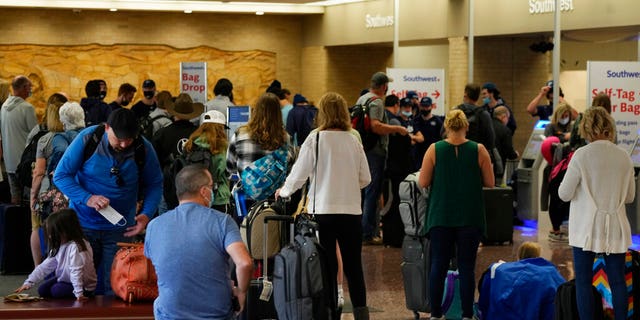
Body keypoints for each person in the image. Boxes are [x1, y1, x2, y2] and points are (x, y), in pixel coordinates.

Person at [276, 92, 372, 320]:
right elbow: (366, 178)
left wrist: (285, 191)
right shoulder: (353, 140)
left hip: (323, 213)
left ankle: (331, 314)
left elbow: (299, 173)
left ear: (323, 113)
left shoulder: (315, 138)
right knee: (354, 268)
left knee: (327, 268)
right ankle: (361, 314)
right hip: (351, 213)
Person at [53, 108, 163, 295]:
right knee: (81, 286)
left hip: (121, 229)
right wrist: (88, 198)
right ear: (106, 128)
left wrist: (146, 215)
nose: (123, 143)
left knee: (117, 288)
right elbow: (61, 176)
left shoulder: (142, 148)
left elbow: (155, 184)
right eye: (118, 138)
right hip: (83, 226)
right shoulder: (88, 139)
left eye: (129, 139)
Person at [145, 164, 252, 320]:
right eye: (212, 187)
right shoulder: (222, 222)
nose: (213, 191)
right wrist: (241, 292)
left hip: (170, 313)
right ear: (203, 191)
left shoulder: (154, 225)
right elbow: (244, 263)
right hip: (216, 314)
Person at [558, 107, 635, 320]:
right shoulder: (624, 156)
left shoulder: (581, 155)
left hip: (586, 229)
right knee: (618, 280)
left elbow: (564, 194)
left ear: (586, 128)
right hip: (616, 228)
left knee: (583, 282)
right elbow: (629, 197)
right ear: (609, 127)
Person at [418, 109, 494, 320]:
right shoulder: (479, 150)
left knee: (438, 265)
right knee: (467, 267)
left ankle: (435, 314)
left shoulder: (434, 149)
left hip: (441, 215)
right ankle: (467, 314)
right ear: (466, 126)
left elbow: (423, 182)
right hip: (470, 215)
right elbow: (490, 182)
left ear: (446, 127)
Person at [357, 72, 408, 245]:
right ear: (384, 86)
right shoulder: (377, 102)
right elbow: (376, 126)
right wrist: (397, 130)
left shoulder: (362, 99)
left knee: (363, 191)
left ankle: (362, 230)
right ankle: (367, 233)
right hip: (375, 152)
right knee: (373, 191)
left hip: (362, 149)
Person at [28, 95, 73, 266]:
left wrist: (33, 195)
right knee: (64, 230)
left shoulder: (44, 139)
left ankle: (39, 266)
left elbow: (39, 172)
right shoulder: (73, 138)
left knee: (37, 227)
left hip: (46, 192)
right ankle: (62, 265)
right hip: (67, 191)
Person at [15, 209, 97, 301]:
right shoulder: (59, 245)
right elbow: (45, 266)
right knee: (43, 290)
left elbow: (76, 271)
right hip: (67, 279)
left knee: (56, 290)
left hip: (83, 286)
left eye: (53, 233)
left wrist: (79, 293)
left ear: (66, 230)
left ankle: (79, 294)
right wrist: (29, 282)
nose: (50, 236)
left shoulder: (76, 247)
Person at [226, 92, 294, 185]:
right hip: (274, 195)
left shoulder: (239, 134)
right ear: (278, 113)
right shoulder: (285, 138)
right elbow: (289, 167)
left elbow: (230, 166)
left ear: (256, 110)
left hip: (245, 194)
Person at [182, 110, 231, 213]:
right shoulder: (220, 146)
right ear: (220, 127)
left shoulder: (191, 142)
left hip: (195, 195)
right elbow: (224, 170)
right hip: (218, 197)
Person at [0, 75, 38, 204]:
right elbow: (35, 135)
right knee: (29, 200)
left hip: (9, 161)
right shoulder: (27, 108)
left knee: (15, 198)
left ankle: (13, 224)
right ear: (24, 87)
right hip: (25, 163)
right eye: (29, 87)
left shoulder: (4, 107)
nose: (30, 90)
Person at [412, 96, 442, 171]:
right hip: (418, 155)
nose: (425, 109)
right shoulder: (415, 121)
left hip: (433, 154)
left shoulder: (438, 121)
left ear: (431, 106)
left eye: (427, 106)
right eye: (423, 106)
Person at [492, 106, 518, 174]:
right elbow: (508, 151)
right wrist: (515, 154)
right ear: (503, 116)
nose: (508, 121)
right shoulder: (505, 130)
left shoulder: (487, 125)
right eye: (508, 118)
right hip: (498, 166)